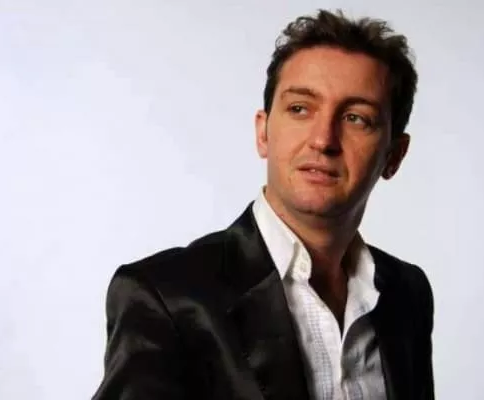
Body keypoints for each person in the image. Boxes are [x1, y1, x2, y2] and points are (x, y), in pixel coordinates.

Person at [92, 9, 434, 400]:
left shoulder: (407, 293)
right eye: (300, 109)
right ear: (263, 133)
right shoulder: (165, 298)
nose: (323, 139)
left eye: (357, 118)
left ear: (394, 155)